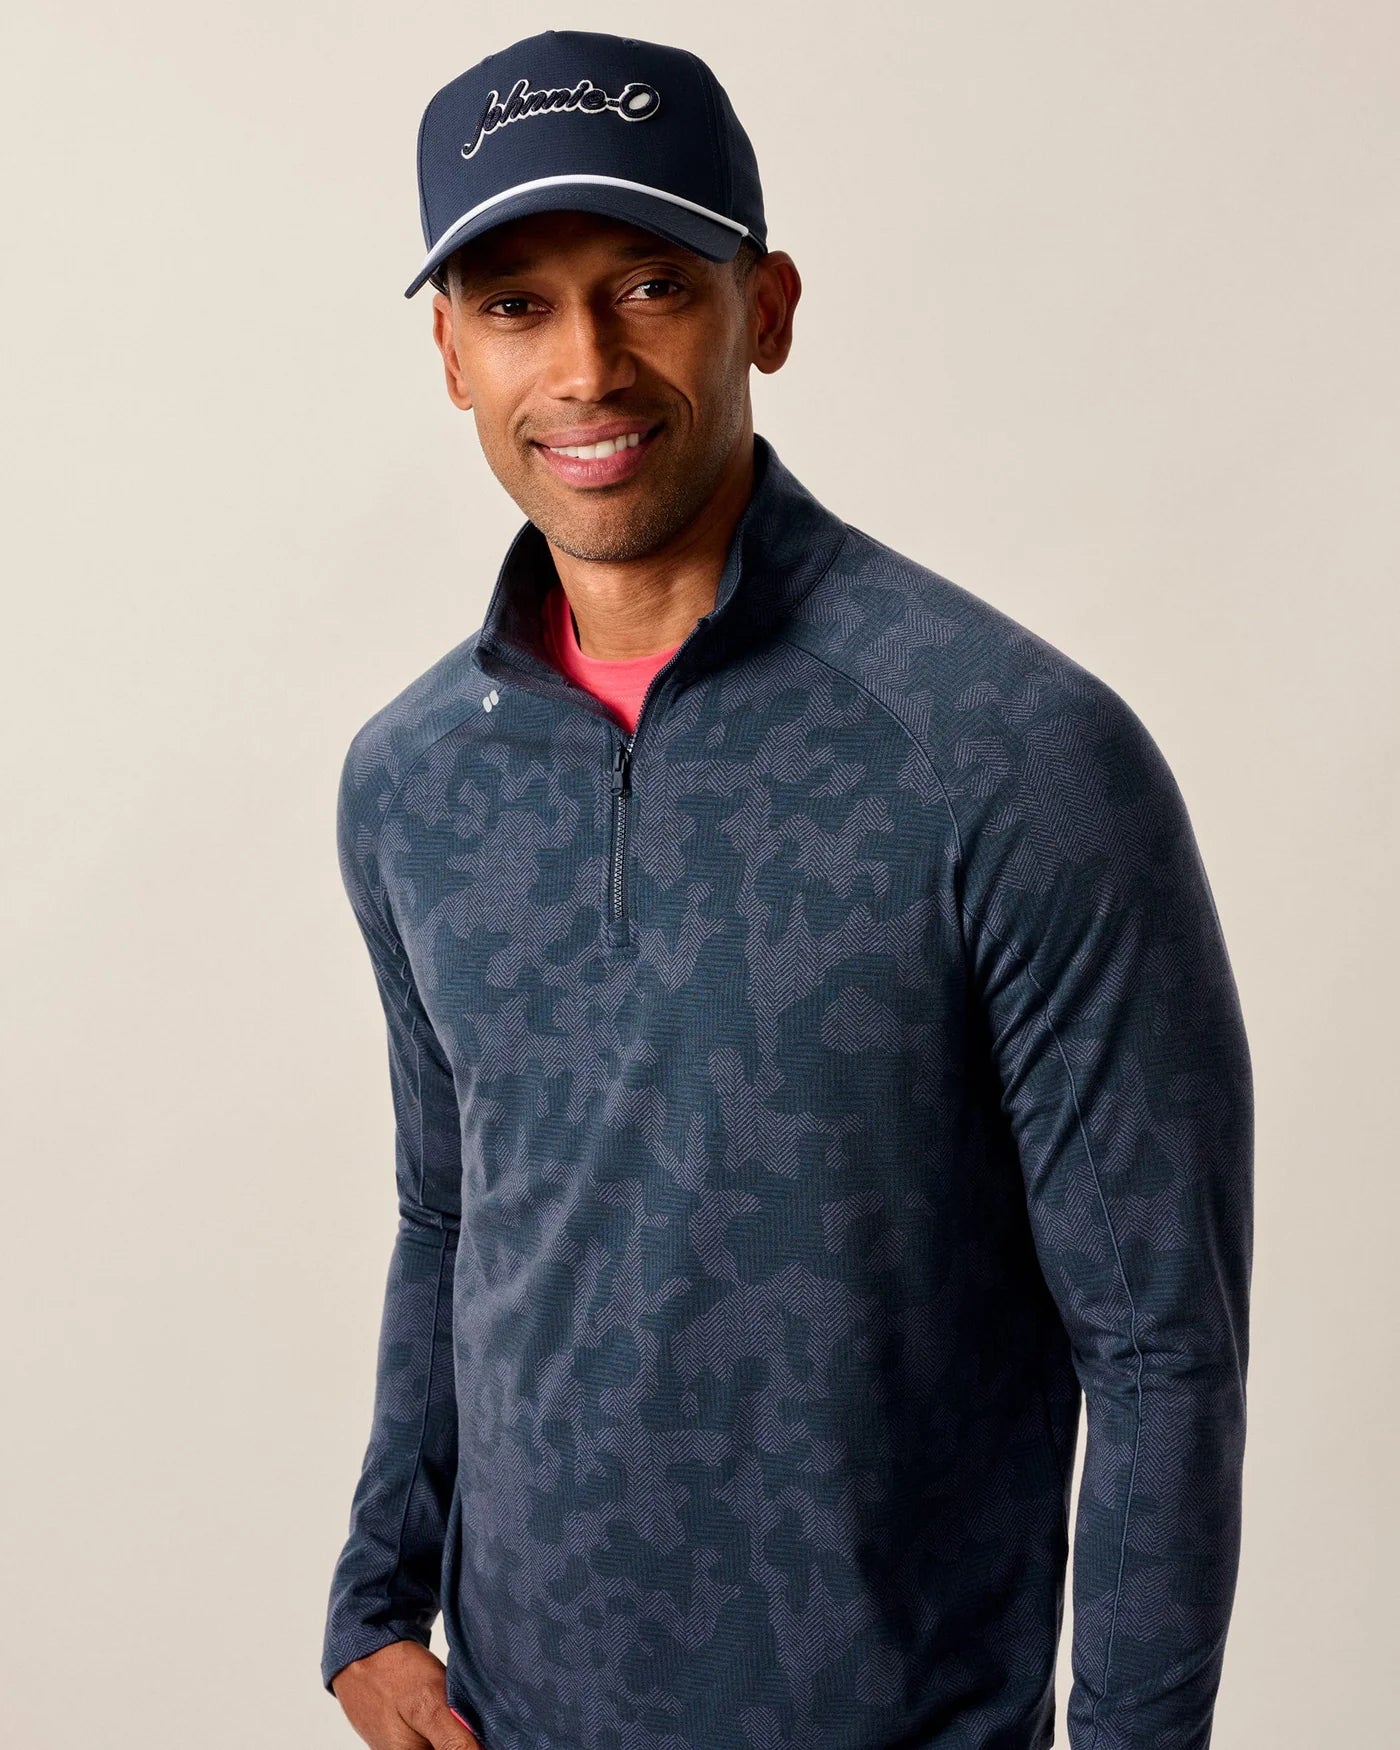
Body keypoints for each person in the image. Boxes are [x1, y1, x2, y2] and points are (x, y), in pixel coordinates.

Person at [320, 28, 1254, 1750]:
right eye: (517, 304)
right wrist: (377, 1597)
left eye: (651, 285)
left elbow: (1160, 1345)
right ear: (451, 351)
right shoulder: (411, 778)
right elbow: (451, 1211)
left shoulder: (1014, 752)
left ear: (767, 307)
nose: (586, 366)